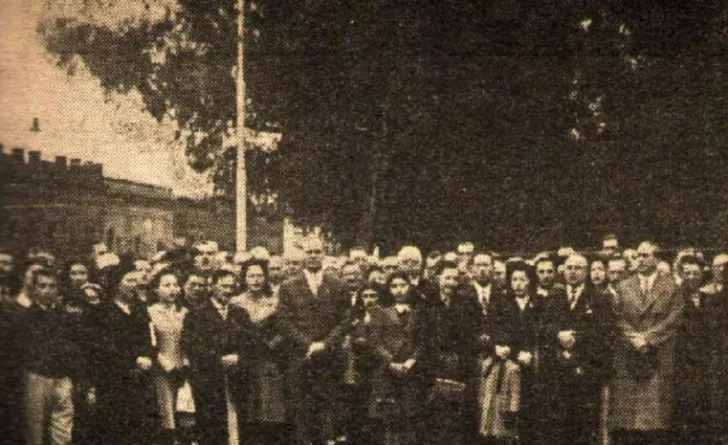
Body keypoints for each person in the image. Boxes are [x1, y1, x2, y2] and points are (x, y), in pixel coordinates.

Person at [277, 237, 350, 445]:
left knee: (328, 410)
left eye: (317, 252)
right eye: (309, 252)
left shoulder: (338, 285)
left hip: (329, 358)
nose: (312, 256)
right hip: (301, 359)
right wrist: (308, 344)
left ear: (323, 254)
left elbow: (345, 320)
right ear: (303, 255)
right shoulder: (288, 286)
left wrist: (325, 344)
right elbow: (284, 322)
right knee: (302, 412)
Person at [610, 242, 683, 445]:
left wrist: (648, 338)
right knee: (630, 419)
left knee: (655, 419)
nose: (640, 260)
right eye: (638, 256)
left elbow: (674, 318)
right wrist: (634, 338)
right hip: (630, 354)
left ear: (656, 259)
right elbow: (617, 317)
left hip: (657, 354)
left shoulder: (671, 287)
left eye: (645, 255)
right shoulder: (624, 286)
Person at [541, 255, 614, 445]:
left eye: (578, 268)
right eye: (569, 267)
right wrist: (558, 334)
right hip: (557, 370)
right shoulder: (554, 295)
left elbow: (603, 332)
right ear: (563, 270)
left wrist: (577, 338)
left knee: (583, 424)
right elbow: (543, 326)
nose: (573, 272)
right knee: (557, 423)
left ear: (586, 271)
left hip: (584, 370)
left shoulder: (598, 298)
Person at [90, 262, 157, 445]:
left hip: (140, 379)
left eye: (135, 280)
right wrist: (133, 359)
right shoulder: (103, 311)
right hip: (114, 379)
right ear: (117, 284)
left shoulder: (140, 309)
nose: (134, 284)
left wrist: (148, 356)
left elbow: (150, 339)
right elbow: (104, 346)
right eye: (129, 280)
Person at [182, 269, 250, 445]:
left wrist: (239, 357)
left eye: (231, 286)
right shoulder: (196, 315)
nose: (227, 290)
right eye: (223, 286)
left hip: (236, 378)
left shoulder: (240, 314)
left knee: (238, 427)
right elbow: (192, 347)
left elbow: (251, 343)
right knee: (211, 428)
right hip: (209, 380)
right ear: (212, 287)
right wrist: (218, 360)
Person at [230, 259, 290, 445]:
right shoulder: (235, 303)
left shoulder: (273, 302)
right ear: (244, 278)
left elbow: (283, 330)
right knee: (246, 413)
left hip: (268, 362)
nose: (256, 280)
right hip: (243, 363)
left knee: (269, 412)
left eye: (259, 276)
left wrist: (271, 345)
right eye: (251, 276)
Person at [421, 260, 481, 445]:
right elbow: (421, 333)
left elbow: (474, 332)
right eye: (447, 278)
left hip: (460, 364)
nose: (451, 283)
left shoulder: (467, 302)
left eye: (455, 278)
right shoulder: (427, 301)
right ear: (438, 278)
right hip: (433, 363)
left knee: (459, 415)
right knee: (435, 414)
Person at [21, 268, 83, 445]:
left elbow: (72, 346)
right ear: (34, 289)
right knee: (35, 431)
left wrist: (71, 376)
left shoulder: (64, 316)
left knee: (63, 431)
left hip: (62, 378)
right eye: (43, 286)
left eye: (52, 286)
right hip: (37, 378)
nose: (48, 290)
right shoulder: (25, 317)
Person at [366, 273, 425, 445]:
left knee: (410, 416)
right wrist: (391, 362)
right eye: (394, 286)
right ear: (389, 290)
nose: (399, 290)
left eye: (403, 285)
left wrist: (411, 361)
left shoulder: (418, 313)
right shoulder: (381, 313)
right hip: (387, 372)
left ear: (409, 287)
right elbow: (375, 342)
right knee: (389, 419)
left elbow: (422, 341)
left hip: (411, 371)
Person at [492, 261, 543, 445]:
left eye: (522, 279)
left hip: (533, 363)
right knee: (509, 411)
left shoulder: (538, 303)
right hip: (510, 363)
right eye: (514, 280)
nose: (518, 284)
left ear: (529, 281)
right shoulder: (503, 305)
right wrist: (515, 352)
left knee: (530, 409)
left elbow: (542, 332)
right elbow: (498, 333)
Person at [673, 256, 720, 445]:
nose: (691, 277)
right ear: (682, 275)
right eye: (687, 273)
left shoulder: (710, 299)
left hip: (705, 364)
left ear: (702, 275)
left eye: (695, 273)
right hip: (683, 363)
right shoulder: (675, 299)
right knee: (685, 411)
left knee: (705, 408)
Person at [148, 270, 191, 445]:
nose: (172, 289)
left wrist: (186, 364)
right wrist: (167, 366)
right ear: (157, 290)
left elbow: (189, 342)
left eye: (175, 285)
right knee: (166, 414)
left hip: (184, 369)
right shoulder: (150, 312)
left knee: (186, 414)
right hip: (162, 370)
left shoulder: (185, 312)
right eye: (166, 285)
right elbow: (152, 344)